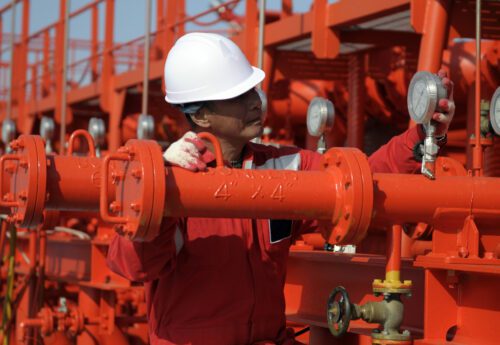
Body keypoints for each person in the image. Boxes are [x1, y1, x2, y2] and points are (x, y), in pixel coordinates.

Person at [106, 33, 455, 345]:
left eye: (252, 91)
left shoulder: (284, 165)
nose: (255, 102)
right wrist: (157, 188)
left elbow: (362, 181)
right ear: (201, 117)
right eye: (238, 96)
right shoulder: (175, 180)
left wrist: (423, 134)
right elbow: (132, 266)